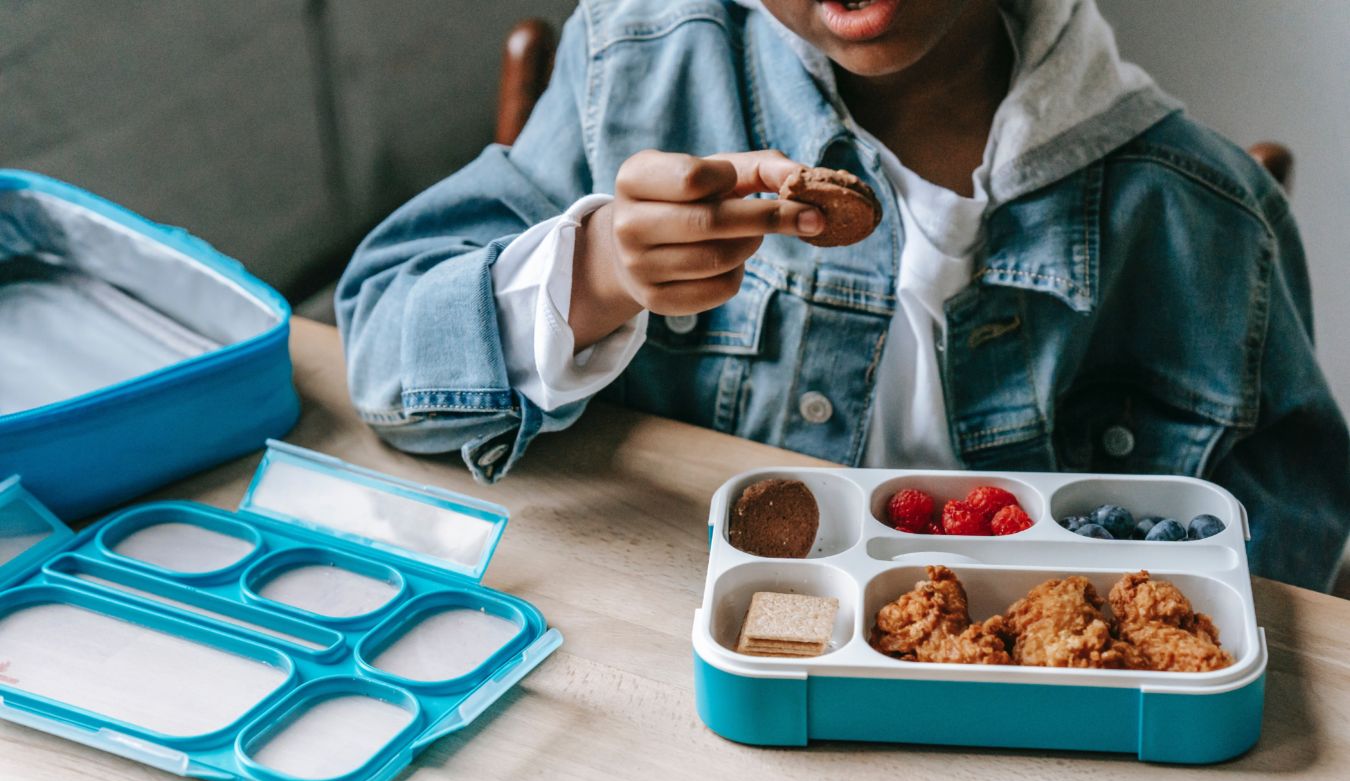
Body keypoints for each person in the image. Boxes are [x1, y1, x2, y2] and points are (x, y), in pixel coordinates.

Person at [335, 0, 1350, 591]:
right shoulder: (639, 70)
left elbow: (1294, 569)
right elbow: (380, 360)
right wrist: (592, 272)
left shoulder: (1202, 217)